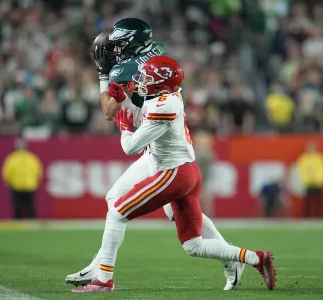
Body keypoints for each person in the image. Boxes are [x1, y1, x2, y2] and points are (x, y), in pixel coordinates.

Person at [66, 18, 244, 291]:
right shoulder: (157, 50)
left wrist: (103, 72)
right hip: (164, 140)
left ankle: (103, 274)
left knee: (122, 207)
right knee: (120, 199)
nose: (114, 49)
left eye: (119, 44)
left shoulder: (122, 70)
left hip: (157, 147)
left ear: (132, 43)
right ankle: (101, 264)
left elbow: (108, 110)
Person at [1, 139, 43, 219]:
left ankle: (17, 223)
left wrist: (8, 182)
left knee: (18, 207)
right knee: (30, 207)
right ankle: (32, 222)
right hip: (29, 185)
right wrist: (36, 182)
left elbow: (7, 172)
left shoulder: (12, 158)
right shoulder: (31, 158)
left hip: (17, 186)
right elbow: (38, 171)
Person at [297, 141, 323, 218]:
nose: (311, 150)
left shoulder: (320, 158)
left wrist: (321, 180)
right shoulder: (304, 158)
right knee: (307, 202)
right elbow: (302, 170)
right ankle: (306, 216)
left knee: (319, 202)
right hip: (308, 183)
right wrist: (304, 180)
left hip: (317, 182)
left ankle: (320, 216)